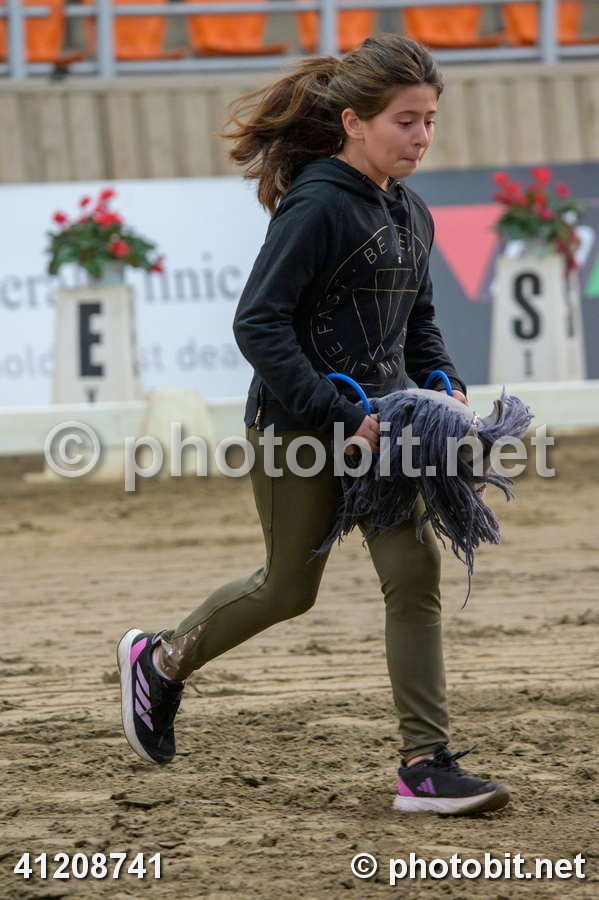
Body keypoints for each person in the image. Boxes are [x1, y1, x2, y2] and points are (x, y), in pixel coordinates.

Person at [117, 34, 510, 816]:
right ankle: (159, 662)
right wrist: (339, 414)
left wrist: (446, 386)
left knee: (414, 576)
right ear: (353, 122)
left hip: (387, 436)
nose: (421, 137)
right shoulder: (318, 205)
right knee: (288, 588)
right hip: (298, 430)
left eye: (429, 121)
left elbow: (418, 325)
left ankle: (424, 766)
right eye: (405, 121)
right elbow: (258, 324)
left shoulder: (412, 211)